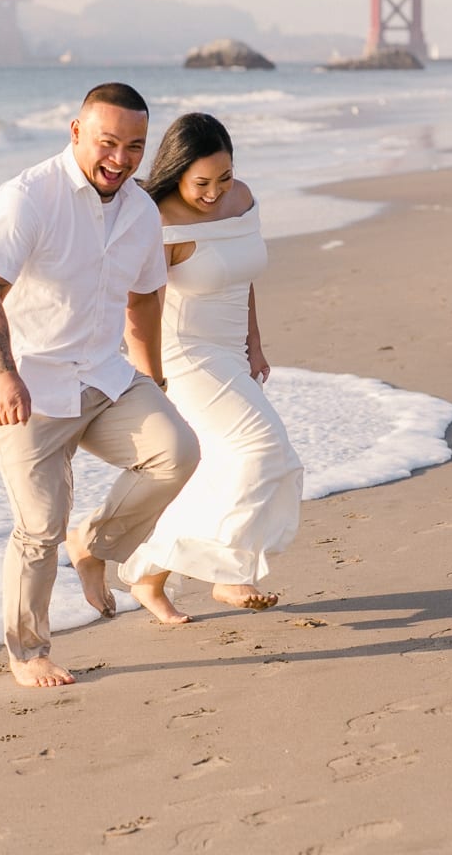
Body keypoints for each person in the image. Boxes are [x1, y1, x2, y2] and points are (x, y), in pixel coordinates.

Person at [0, 83, 201, 688]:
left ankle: (93, 545)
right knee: (39, 526)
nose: (120, 159)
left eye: (135, 147)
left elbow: (144, 298)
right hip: (31, 386)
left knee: (176, 451)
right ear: (76, 132)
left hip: (104, 376)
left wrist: (152, 379)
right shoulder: (27, 198)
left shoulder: (142, 211)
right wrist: (3, 376)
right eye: (108, 142)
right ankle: (28, 652)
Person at [117, 113, 304, 623]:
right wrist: (149, 381)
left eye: (224, 177)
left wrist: (255, 344)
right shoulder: (157, 222)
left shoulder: (241, 200)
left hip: (231, 351)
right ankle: (227, 576)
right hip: (185, 355)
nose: (215, 192)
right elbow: (139, 309)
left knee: (237, 463)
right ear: (177, 172)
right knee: (263, 451)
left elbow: (242, 276)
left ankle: (149, 572)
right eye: (202, 182)